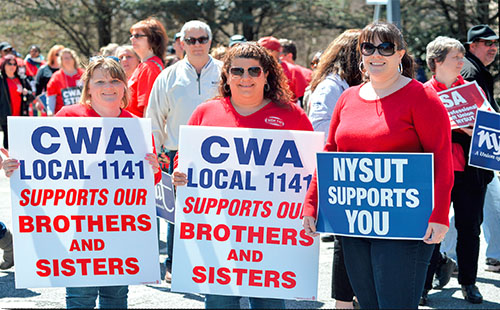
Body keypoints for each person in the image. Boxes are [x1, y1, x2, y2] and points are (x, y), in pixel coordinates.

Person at [302, 22, 454, 309]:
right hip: (354, 223)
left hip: (406, 226)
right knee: (369, 304)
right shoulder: (347, 98)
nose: (376, 54)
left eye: (386, 47)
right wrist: (312, 205)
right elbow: (331, 153)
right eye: (368, 47)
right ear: (360, 53)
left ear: (400, 54)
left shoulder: (422, 97)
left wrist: (440, 215)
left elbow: (441, 158)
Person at [2, 57, 162, 309]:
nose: (108, 86)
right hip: (78, 227)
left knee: (116, 297)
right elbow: (43, 168)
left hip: (120, 229)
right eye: (100, 81)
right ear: (88, 87)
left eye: (114, 80)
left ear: (124, 86)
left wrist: (154, 169)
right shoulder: (69, 116)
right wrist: (16, 169)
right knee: (80, 298)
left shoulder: (135, 126)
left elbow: (148, 183)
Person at [172, 42, 313, 309]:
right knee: (219, 302)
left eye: (253, 71)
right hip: (218, 231)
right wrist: (180, 175)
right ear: (226, 75)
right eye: (237, 71)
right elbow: (184, 159)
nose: (245, 78)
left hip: (270, 234)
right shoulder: (206, 112)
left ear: (267, 75)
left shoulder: (290, 115)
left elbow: (312, 166)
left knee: (269, 303)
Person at [146, 19, 222, 283]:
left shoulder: (226, 73)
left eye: (202, 39)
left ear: (210, 41)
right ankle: (174, 263)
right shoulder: (168, 76)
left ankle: (216, 263)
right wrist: (154, 152)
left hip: (221, 154)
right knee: (177, 213)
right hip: (178, 152)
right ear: (181, 43)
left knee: (218, 209)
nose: (197, 45)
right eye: (191, 40)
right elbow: (155, 116)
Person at [423, 36, 489, 305]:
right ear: (436, 62)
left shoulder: (473, 91)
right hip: (435, 171)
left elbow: (490, 129)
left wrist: (473, 130)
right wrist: (450, 128)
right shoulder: (423, 92)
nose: (462, 62)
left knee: (470, 228)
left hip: (469, 172)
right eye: (456, 57)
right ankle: (423, 285)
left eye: (462, 56)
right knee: (430, 229)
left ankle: (469, 282)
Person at [307, 29, 362, 309]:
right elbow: (320, 131)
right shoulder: (331, 86)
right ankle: (343, 302)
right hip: (338, 170)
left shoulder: (348, 84)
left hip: (352, 171)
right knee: (345, 240)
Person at [460, 24, 500, 276]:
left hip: (479, 155)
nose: (493, 48)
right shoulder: (470, 71)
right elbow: (466, 119)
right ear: (472, 46)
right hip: (471, 158)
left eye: (495, 44)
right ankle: (454, 264)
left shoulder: (477, 70)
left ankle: (450, 257)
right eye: (487, 43)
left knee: (469, 216)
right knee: (469, 218)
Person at [127, 17, 167, 117]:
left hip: (138, 128)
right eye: (131, 35)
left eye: (137, 36)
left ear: (153, 39)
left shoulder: (149, 67)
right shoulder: (147, 65)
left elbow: (149, 109)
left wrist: (145, 132)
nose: (132, 39)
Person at [258, 36, 307, 104]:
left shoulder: (293, 70)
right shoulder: (252, 70)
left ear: (278, 51)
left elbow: (303, 99)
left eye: (266, 50)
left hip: (286, 111)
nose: (261, 54)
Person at [0, 54, 33, 149]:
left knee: (21, 143)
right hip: (6, 115)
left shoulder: (21, 79)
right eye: (9, 64)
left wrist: (27, 92)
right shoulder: (1, 80)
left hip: (21, 115)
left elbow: (32, 96)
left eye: (14, 64)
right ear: (4, 65)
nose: (12, 66)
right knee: (8, 143)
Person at [46, 48, 83, 115]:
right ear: (61, 60)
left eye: (70, 57)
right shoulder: (56, 77)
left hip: (81, 114)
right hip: (63, 115)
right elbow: (51, 96)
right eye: (65, 58)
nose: (68, 60)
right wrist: (50, 111)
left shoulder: (83, 74)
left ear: (74, 59)